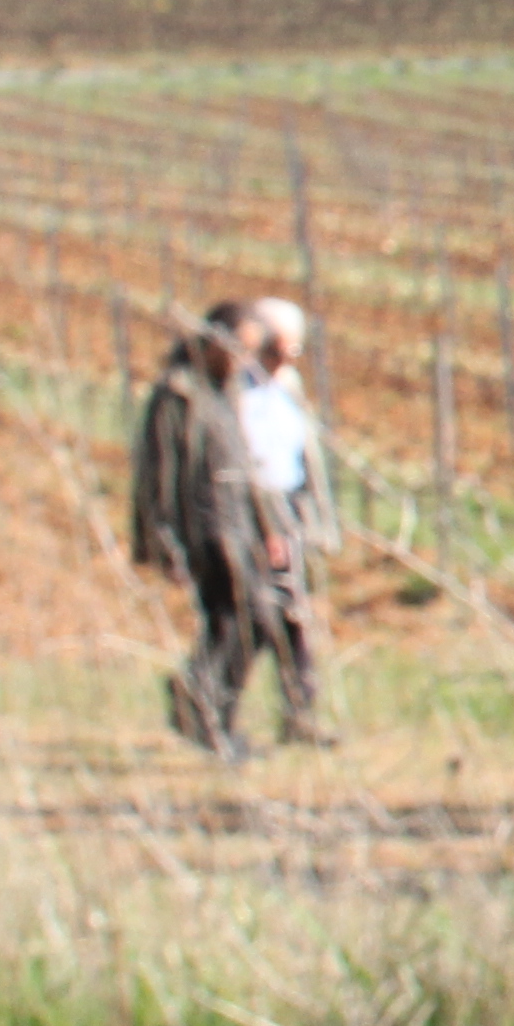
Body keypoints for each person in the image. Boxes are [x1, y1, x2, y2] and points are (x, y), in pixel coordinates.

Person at [127, 302, 282, 753]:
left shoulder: (225, 392)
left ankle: (207, 709)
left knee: (248, 623)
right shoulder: (176, 395)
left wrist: (267, 528)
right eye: (239, 348)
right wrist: (163, 541)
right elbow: (155, 475)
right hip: (204, 529)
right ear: (215, 340)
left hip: (241, 525)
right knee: (244, 617)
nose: (244, 359)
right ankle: (205, 711)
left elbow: (244, 466)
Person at [236, 296, 340, 748]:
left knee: (294, 620)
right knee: (258, 618)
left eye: (293, 351)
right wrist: (267, 527)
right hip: (257, 514)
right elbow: (246, 464)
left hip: (292, 510)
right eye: (279, 349)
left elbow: (307, 456)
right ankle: (211, 706)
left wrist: (320, 521)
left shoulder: (290, 386)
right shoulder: (237, 391)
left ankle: (299, 715)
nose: (285, 359)